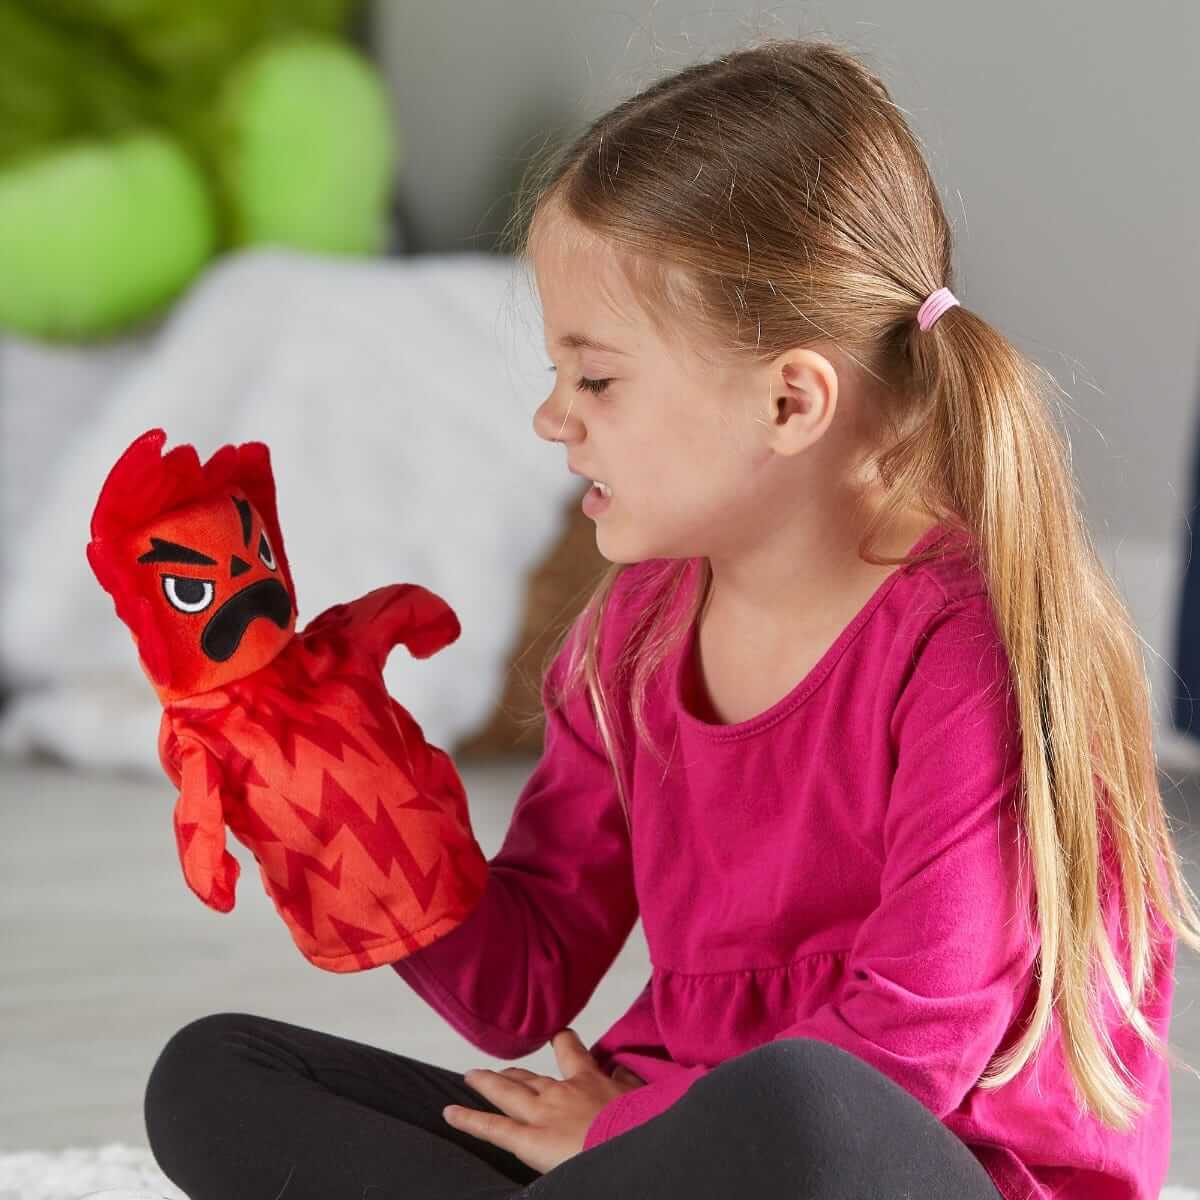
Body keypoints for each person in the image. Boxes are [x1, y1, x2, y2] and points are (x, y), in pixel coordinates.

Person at [142, 36, 1197, 1200]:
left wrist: (619, 1132)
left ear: (790, 401)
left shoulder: (966, 645)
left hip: (906, 1161)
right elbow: (523, 983)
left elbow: (908, 1058)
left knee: (803, 1104)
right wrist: (365, 820)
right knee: (215, 1075)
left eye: (595, 378)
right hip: (661, 1152)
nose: (553, 418)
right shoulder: (635, 628)